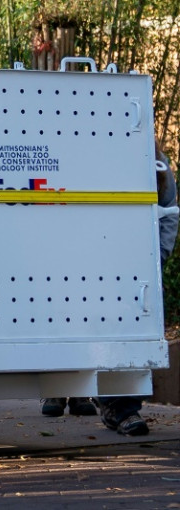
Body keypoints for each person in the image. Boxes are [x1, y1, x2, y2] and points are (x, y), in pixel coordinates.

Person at [93, 139, 178, 436]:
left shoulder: (158, 163)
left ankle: (123, 406)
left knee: (136, 334)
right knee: (112, 332)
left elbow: (170, 213)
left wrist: (158, 256)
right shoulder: (99, 154)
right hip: (107, 266)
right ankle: (118, 407)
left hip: (141, 268)